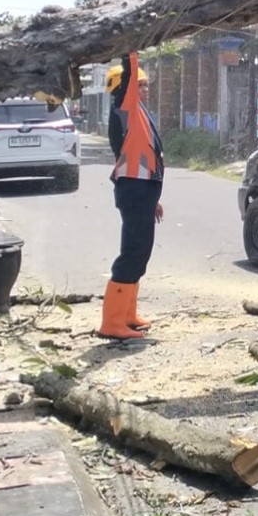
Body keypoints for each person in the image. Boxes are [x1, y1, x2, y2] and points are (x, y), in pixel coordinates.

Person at [99, 53, 165, 340]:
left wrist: (154, 199)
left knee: (141, 253)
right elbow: (129, 73)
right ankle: (112, 323)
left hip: (142, 189)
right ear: (124, 87)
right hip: (134, 189)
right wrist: (132, 47)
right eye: (141, 84)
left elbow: (145, 155)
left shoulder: (138, 114)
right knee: (133, 252)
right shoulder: (125, 108)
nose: (145, 88)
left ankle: (127, 316)